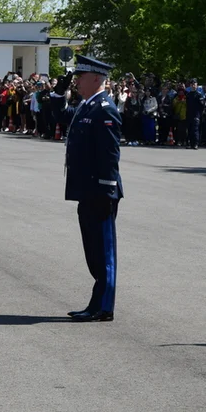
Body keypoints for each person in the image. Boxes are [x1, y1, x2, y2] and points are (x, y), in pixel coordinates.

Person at [63, 55, 123, 322]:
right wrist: (56, 92)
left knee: (104, 251)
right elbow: (58, 114)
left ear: (96, 78)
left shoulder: (105, 109)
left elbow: (110, 155)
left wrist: (106, 190)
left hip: (100, 192)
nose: (76, 81)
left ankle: (103, 306)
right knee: (93, 251)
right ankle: (96, 303)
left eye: (81, 77)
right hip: (86, 190)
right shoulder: (87, 106)